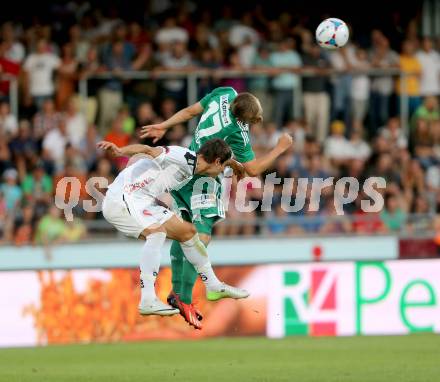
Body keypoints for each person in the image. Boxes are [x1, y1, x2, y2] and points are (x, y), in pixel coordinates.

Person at [140, 86, 293, 328]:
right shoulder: (239, 132)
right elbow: (253, 169)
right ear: (245, 119)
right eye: (253, 121)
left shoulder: (225, 93)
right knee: (201, 235)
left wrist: (165, 125)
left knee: (185, 233)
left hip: (185, 168)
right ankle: (184, 297)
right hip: (204, 180)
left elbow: (191, 111)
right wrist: (280, 148)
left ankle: (177, 292)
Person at [98, 138, 249, 323]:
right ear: (216, 162)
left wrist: (235, 165)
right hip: (121, 199)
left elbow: (222, 161)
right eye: (223, 166)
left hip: (143, 200)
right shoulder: (182, 157)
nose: (222, 172)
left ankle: (213, 285)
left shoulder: (196, 164)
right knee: (157, 232)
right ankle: (147, 299)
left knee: (188, 233)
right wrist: (120, 150)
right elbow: (147, 149)